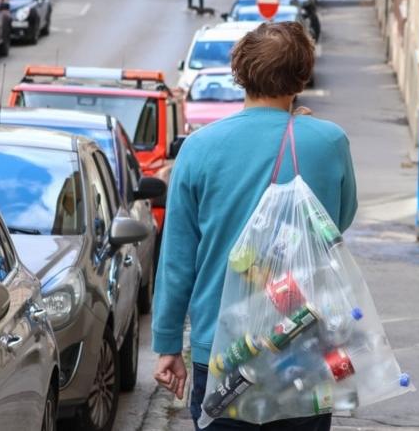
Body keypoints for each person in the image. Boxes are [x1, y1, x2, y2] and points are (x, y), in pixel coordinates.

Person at [152, 22, 357, 431]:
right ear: (302, 74)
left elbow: (177, 260)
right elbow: (339, 218)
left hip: (222, 351)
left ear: (239, 72)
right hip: (303, 346)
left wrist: (168, 344)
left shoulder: (198, 147)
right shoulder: (328, 141)